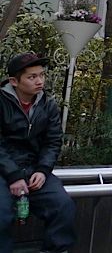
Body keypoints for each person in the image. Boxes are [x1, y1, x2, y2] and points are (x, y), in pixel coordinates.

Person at [0, 52, 75, 253]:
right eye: (32, 77)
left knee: (62, 206)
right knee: (1, 215)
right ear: (14, 81)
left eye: (41, 75)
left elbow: (53, 141)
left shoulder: (47, 104)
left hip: (33, 169)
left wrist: (43, 170)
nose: (39, 81)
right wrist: (14, 175)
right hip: (3, 171)